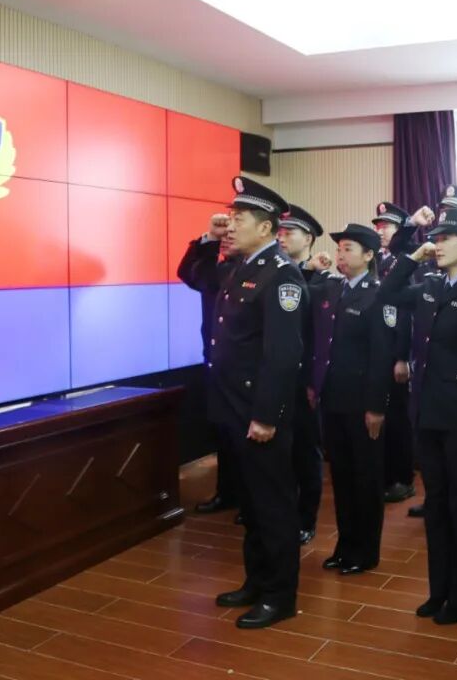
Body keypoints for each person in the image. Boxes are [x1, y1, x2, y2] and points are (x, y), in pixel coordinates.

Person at [378, 203, 457, 624]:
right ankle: (439, 590)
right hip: (426, 413)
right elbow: (387, 293)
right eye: (436, 238)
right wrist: (413, 255)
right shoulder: (430, 286)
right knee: (437, 506)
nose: (438, 245)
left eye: (447, 239)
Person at [208, 177, 305, 630]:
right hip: (233, 408)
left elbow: (282, 356)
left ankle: (279, 596)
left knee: (272, 506)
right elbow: (194, 274)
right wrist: (209, 237)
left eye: (239, 218)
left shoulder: (281, 275)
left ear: (266, 227)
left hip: (259, 413)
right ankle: (256, 581)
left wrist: (266, 416)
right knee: (251, 505)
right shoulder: (240, 267)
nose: (231, 224)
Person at [310, 223, 396, 576]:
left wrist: (376, 407)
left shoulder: (378, 294)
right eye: (339, 249)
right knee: (342, 478)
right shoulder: (332, 289)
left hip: (362, 404)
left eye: (348, 249)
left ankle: (366, 551)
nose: (341, 255)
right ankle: (345, 546)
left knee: (366, 479)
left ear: (368, 255)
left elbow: (381, 357)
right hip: (332, 399)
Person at [178, 214, 241, 516]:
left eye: (232, 232)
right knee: (223, 433)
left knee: (245, 440)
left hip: (245, 368)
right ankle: (227, 492)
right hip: (217, 363)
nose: (226, 238)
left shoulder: (255, 270)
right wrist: (210, 240)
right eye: (223, 236)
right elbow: (188, 273)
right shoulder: (220, 268)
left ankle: (250, 501)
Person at [372, 202, 434, 506]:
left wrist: (402, 356)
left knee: (398, 418)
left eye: (387, 227)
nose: (381, 232)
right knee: (384, 416)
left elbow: (405, 314)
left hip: (398, 350)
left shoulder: (409, 259)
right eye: (378, 227)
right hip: (378, 348)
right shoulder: (378, 260)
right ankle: (387, 474)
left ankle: (402, 478)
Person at [279, 205, 327, 544]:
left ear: (308, 238)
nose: (282, 238)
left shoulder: (322, 277)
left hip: (304, 379)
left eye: (289, 232)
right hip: (277, 377)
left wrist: (313, 381)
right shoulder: (277, 273)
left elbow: (318, 336)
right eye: (279, 232)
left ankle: (305, 518)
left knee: (306, 452)